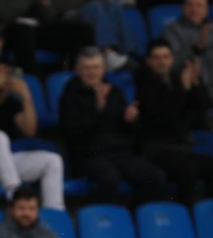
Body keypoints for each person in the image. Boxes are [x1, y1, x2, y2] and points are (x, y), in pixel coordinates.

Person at [135, 39, 213, 201]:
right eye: (156, 57)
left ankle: (212, 213)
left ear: (172, 59)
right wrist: (184, 89)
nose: (162, 61)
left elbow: (203, 107)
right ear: (148, 61)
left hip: (181, 148)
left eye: (165, 56)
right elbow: (165, 117)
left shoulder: (177, 80)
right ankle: (185, 214)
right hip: (156, 149)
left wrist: (196, 82)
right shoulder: (144, 84)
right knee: (188, 170)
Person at [58, 47, 166, 203]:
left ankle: (134, 218)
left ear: (104, 69)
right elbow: (72, 132)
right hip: (89, 156)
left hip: (120, 153)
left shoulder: (115, 92)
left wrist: (131, 119)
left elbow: (130, 131)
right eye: (87, 68)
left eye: (96, 67)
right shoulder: (69, 96)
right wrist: (97, 110)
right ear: (77, 70)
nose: (92, 72)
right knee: (109, 179)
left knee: (156, 177)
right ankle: (102, 220)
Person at [0, 64, 64, 211]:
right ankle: (15, 195)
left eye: (9, 76)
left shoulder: (11, 103)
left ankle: (55, 212)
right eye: (2, 75)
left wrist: (27, 97)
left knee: (52, 160)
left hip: (3, 166)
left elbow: (30, 130)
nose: (5, 80)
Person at [47, 0, 137, 68]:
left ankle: (126, 52)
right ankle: (107, 53)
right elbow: (65, 5)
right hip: (67, 19)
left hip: (88, 14)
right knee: (94, 6)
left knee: (113, 4)